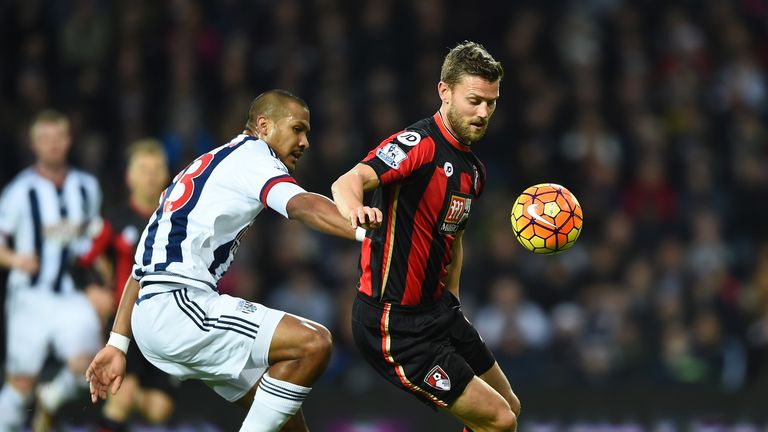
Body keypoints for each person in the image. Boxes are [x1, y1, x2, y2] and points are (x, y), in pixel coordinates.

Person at [86, 89, 383, 432]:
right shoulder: (253, 156)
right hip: (181, 306)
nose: (305, 142)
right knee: (314, 342)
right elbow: (300, 205)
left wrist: (117, 343)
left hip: (155, 310)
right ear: (264, 126)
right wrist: (370, 233)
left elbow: (140, 268)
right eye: (298, 129)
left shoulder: (203, 166)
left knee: (284, 419)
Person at [332, 41, 521, 432]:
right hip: (393, 323)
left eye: (492, 102)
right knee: (499, 420)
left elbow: (455, 238)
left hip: (438, 311)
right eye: (474, 100)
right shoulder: (418, 145)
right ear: (444, 91)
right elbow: (349, 180)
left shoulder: (474, 170)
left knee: (510, 408)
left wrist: (453, 299)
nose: (484, 113)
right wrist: (356, 210)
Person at [0, 110, 106, 431]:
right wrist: (15, 260)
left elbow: (95, 241)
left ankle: (50, 401)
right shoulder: (20, 191)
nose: (53, 145)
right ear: (34, 144)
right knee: (20, 383)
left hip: (73, 296)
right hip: (30, 297)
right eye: (45, 139)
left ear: (69, 140)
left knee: (90, 367)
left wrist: (103, 285)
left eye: (59, 137)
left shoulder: (87, 187)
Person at [97, 139, 176, 431]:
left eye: (157, 168)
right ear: (129, 177)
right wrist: (96, 287)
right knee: (121, 396)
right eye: (143, 169)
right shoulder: (114, 221)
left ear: (167, 174)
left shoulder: (176, 219)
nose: (151, 175)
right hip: (124, 324)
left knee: (158, 410)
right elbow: (88, 259)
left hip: (163, 325)